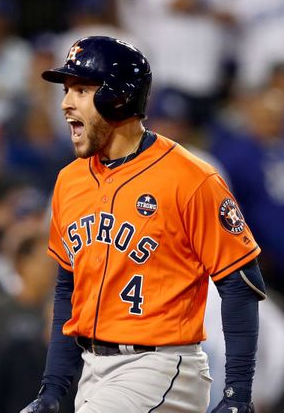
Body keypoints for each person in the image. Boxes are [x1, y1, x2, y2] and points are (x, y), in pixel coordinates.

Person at [19, 36, 266, 413]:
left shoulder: (190, 177)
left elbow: (240, 284)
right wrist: (53, 389)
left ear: (118, 96)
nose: (66, 103)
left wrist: (238, 394)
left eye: (82, 90)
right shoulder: (69, 181)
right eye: (67, 91)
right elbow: (67, 290)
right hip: (94, 371)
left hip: (162, 367)